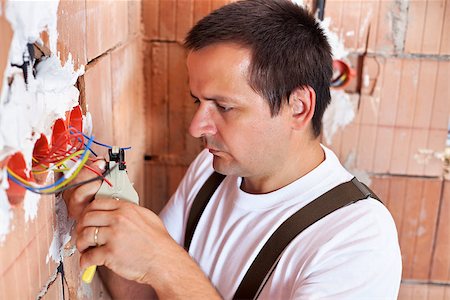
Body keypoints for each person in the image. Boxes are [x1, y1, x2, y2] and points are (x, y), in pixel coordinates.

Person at [64, 0, 402, 299]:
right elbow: (150, 294)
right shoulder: (209, 170)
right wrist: (106, 223)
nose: (196, 127)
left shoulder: (358, 237)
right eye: (197, 101)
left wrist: (165, 263)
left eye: (223, 107)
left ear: (298, 107)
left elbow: (163, 272)